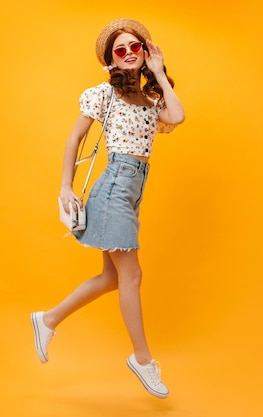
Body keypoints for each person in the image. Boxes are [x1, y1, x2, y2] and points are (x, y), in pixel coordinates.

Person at [30, 18, 185, 399]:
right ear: (111, 60)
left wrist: (160, 72)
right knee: (131, 277)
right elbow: (74, 139)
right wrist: (66, 185)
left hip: (132, 191)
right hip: (114, 186)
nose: (130, 53)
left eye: (137, 47)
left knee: (113, 278)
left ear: (145, 52)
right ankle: (143, 359)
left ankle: (47, 319)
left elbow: (178, 117)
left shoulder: (152, 102)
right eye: (121, 50)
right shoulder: (104, 94)